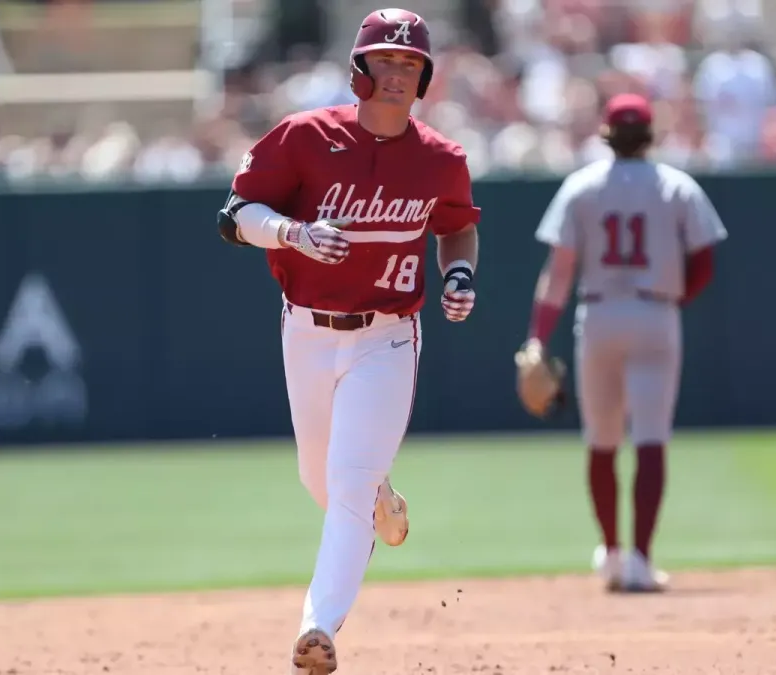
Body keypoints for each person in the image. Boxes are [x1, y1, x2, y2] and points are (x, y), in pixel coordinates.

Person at [215, 9, 481, 673]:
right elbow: (235, 216)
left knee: (349, 479)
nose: (397, 73)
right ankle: (382, 500)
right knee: (323, 481)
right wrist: (294, 233)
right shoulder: (305, 137)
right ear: (359, 68)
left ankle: (318, 626)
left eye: (410, 64)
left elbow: (457, 226)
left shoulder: (440, 158)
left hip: (387, 336)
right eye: (386, 60)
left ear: (424, 78)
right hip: (306, 328)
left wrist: (460, 271)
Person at [515, 93, 727, 593]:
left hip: (600, 312)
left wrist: (536, 338)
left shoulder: (582, 185)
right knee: (650, 439)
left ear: (606, 135)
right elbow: (704, 264)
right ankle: (640, 559)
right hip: (656, 311)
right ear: (651, 135)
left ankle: (611, 554)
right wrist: (674, 302)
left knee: (601, 441)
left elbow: (558, 274)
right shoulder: (678, 185)